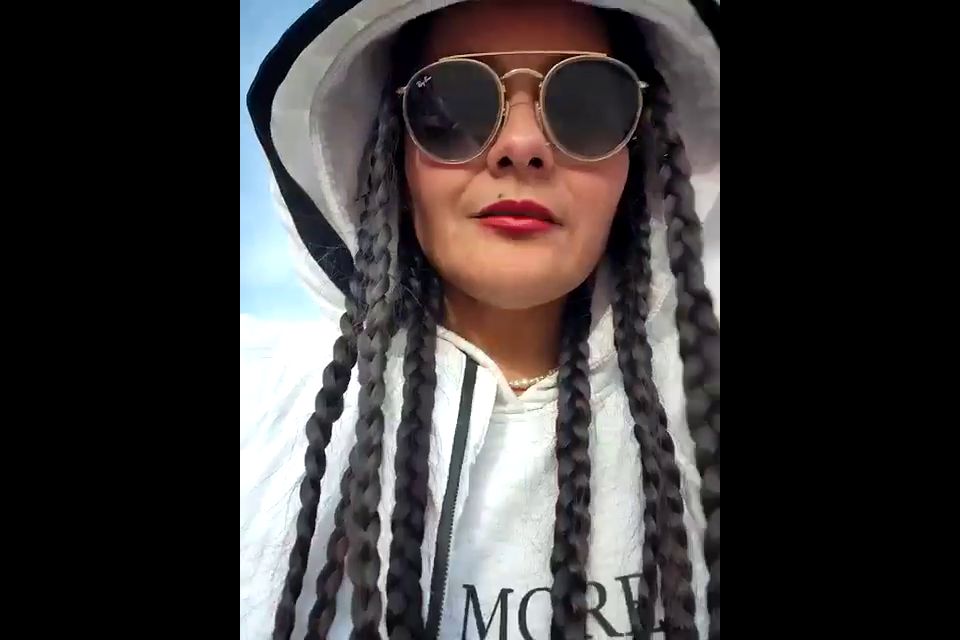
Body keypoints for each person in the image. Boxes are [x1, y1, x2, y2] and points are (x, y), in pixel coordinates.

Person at [240, 0, 720, 638]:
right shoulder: (259, 415)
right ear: (394, 159)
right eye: (452, 106)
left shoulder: (700, 418)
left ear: (637, 162)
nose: (522, 146)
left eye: (587, 103)